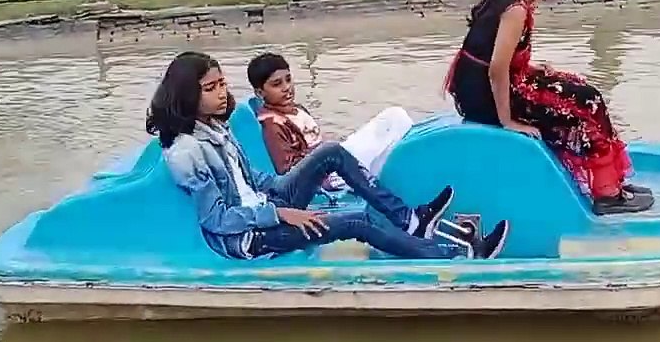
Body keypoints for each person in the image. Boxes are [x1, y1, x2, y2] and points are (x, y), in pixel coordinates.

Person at [148, 51, 508, 261]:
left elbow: (254, 180)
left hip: (267, 203)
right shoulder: (186, 151)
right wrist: (279, 213)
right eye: (211, 89)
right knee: (354, 222)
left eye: (223, 84)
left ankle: (410, 221)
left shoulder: (216, 128)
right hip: (249, 238)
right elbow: (217, 220)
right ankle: (456, 255)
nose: (222, 94)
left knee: (331, 152)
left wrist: (292, 186)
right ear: (185, 95)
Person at [443, 0, 654, 215]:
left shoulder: (510, 0)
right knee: (587, 103)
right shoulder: (515, 10)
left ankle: (612, 181)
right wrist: (508, 121)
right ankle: (607, 194)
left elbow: (491, 58)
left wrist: (530, 69)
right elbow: (496, 69)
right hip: (486, 98)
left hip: (481, 89)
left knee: (580, 88)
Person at [247, 52, 413, 187]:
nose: (287, 88)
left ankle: (382, 174)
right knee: (395, 119)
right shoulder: (273, 125)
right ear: (260, 93)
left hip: (334, 158)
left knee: (393, 121)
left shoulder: (297, 109)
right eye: (277, 84)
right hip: (328, 172)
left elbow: (314, 139)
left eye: (288, 79)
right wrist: (324, 171)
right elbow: (288, 171)